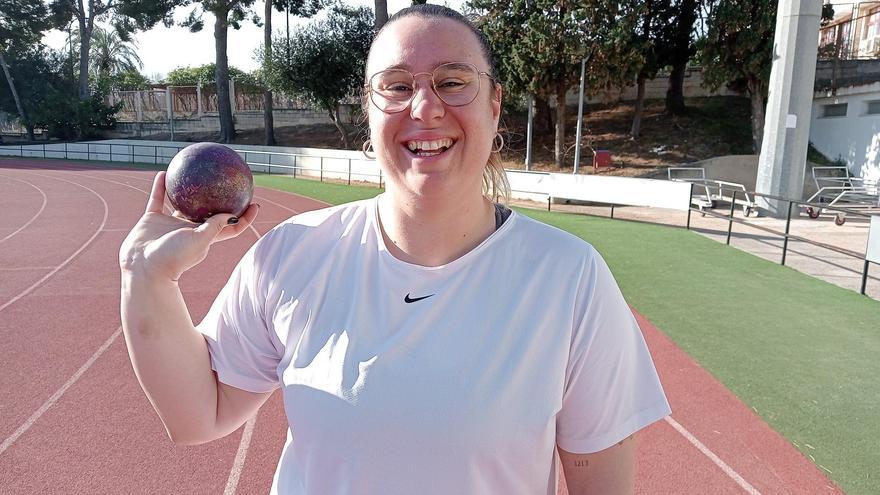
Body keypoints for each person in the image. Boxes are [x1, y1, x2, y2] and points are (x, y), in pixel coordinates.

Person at [119, 5, 671, 494]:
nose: (425, 107)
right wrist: (146, 278)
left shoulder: (568, 278)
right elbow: (198, 415)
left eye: (453, 81)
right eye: (398, 86)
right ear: (369, 109)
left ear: (496, 105)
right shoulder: (292, 255)